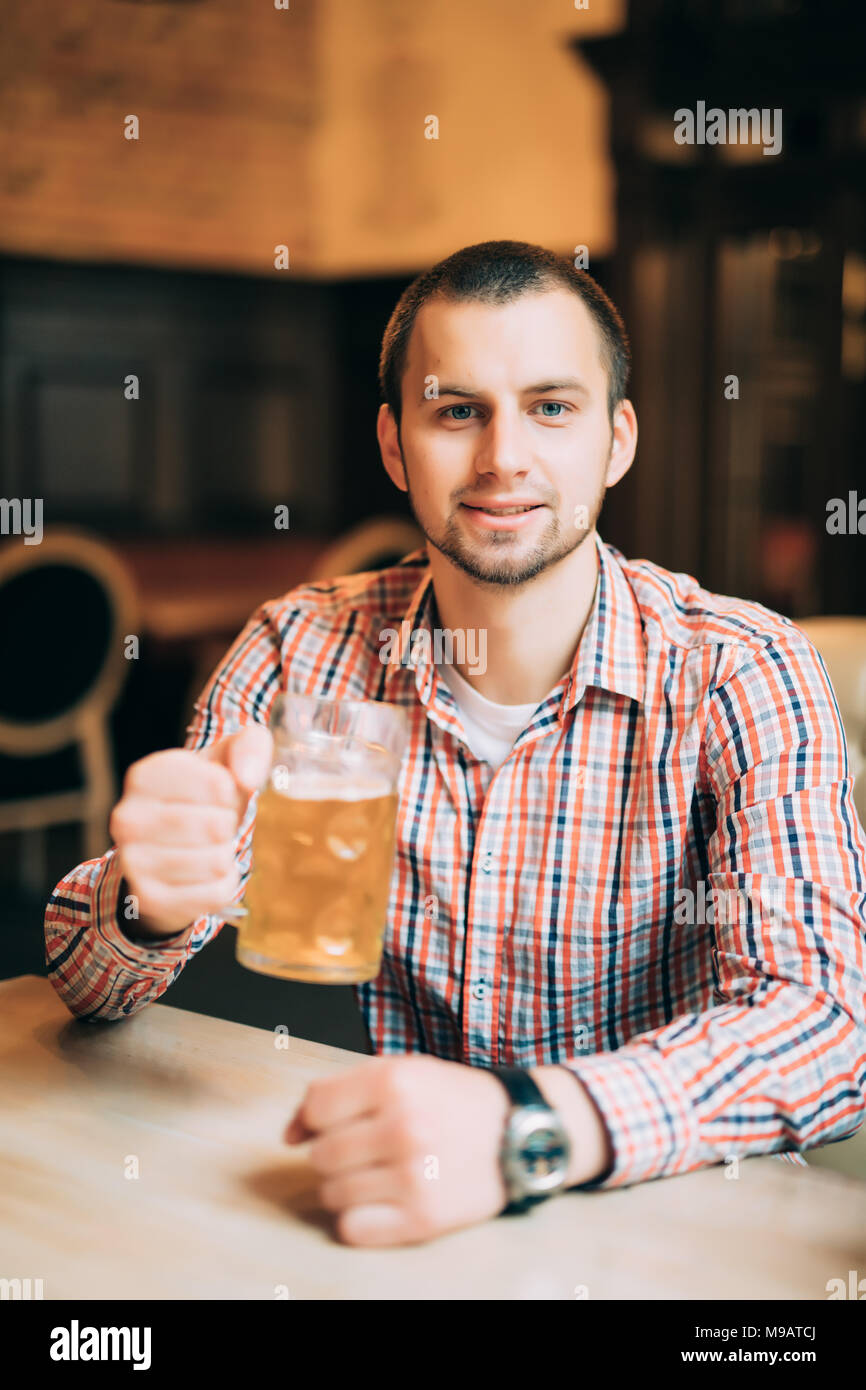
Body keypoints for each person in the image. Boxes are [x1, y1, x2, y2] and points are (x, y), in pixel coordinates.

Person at [45, 241, 866, 1249]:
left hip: (670, 1231)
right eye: (456, 409)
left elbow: (826, 1030)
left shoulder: (740, 669)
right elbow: (83, 981)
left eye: (550, 407)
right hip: (408, 1230)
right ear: (394, 445)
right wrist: (145, 900)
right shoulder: (300, 646)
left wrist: (524, 1125)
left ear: (614, 441)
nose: (501, 458)